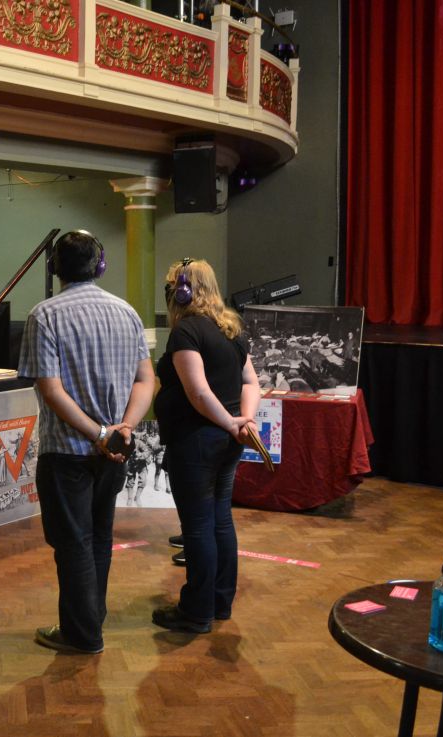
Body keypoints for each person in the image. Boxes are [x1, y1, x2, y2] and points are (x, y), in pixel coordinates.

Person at [18, 230, 155, 654]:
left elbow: (51, 391)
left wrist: (98, 434)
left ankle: (81, 635)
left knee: (73, 543)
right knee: (98, 538)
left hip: (68, 454)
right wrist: (124, 429)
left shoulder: (44, 315)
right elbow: (147, 380)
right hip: (114, 452)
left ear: (56, 269)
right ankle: (91, 620)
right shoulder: (126, 312)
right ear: (100, 265)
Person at [152, 259, 260, 634]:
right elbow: (250, 384)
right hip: (225, 442)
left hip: (198, 443)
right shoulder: (230, 330)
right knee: (219, 522)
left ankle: (196, 612)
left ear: (182, 291)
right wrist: (241, 420)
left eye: (171, 287)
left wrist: (233, 422)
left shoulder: (186, 333)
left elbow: (198, 393)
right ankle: (219, 602)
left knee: (198, 527)